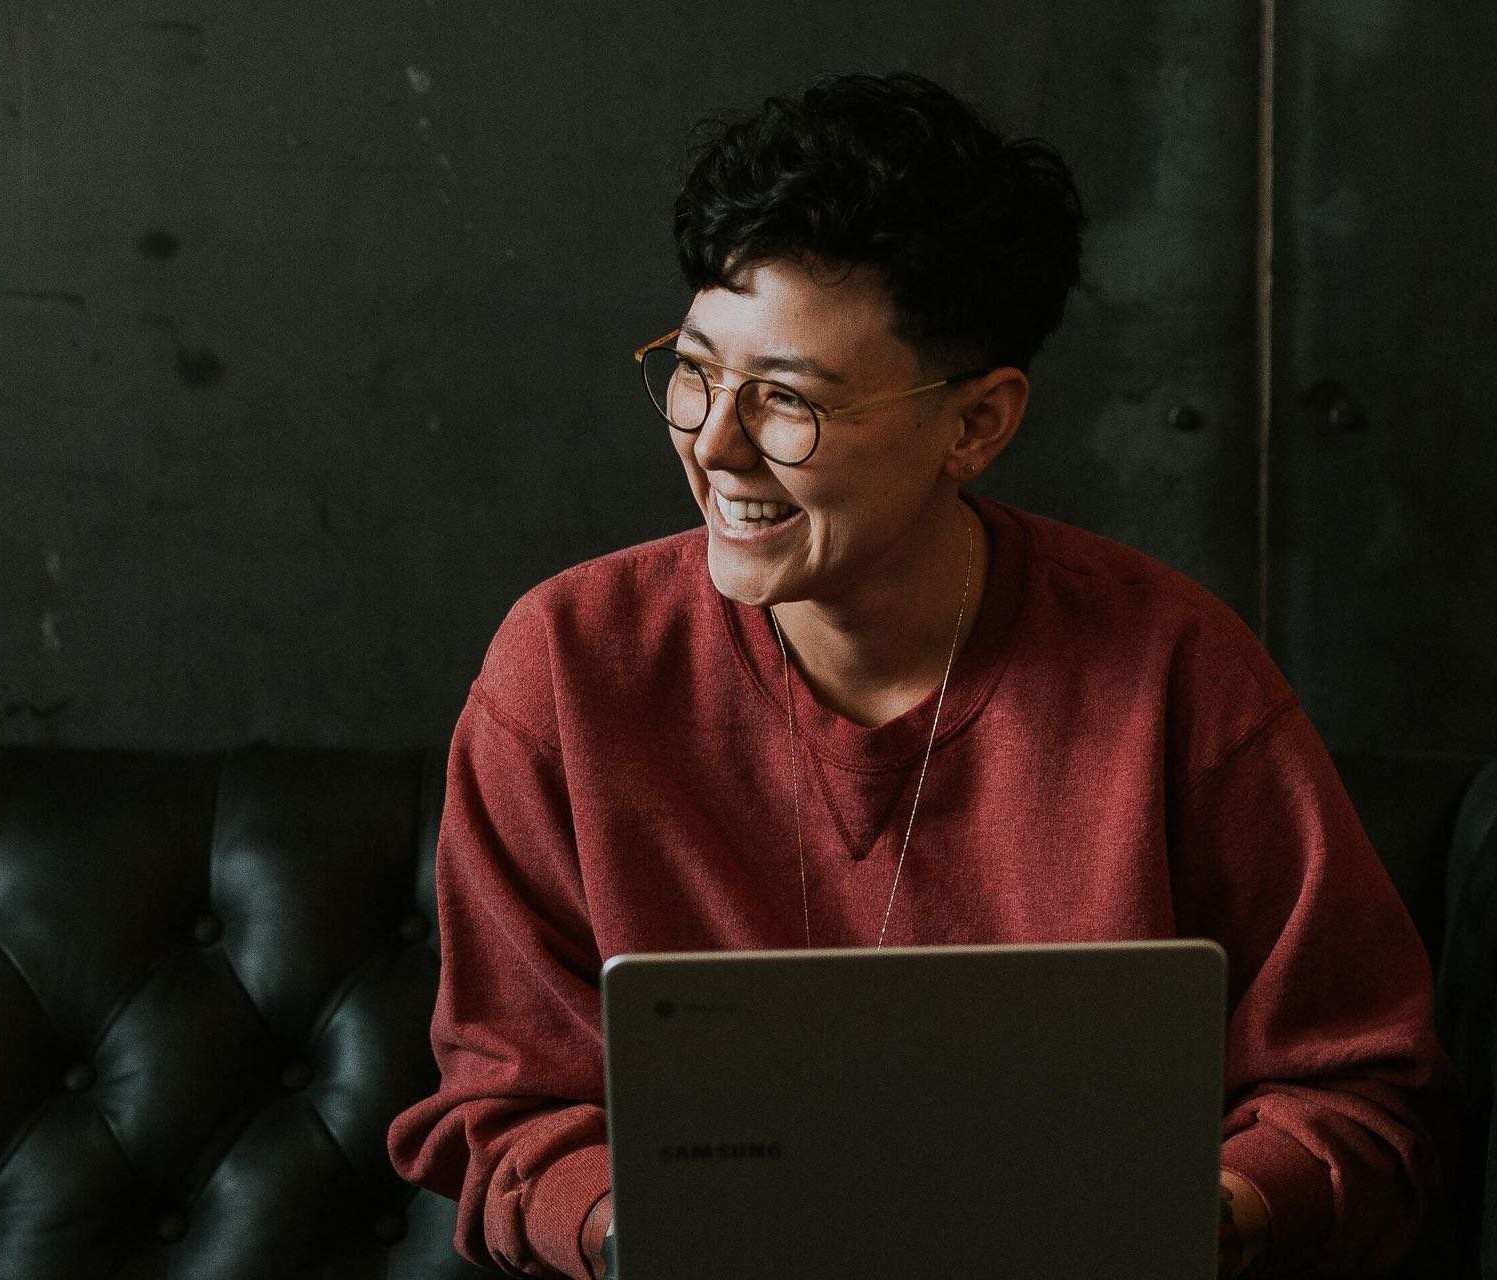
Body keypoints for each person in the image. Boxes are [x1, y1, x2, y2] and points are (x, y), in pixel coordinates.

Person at [386, 71, 1455, 1279]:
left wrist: (1181, 1215)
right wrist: (649, 1232)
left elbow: (1359, 1095)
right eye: (693, 372)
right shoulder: (569, 668)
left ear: (977, 425)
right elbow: (509, 1110)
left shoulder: (1173, 671)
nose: (717, 444)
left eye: (789, 401)